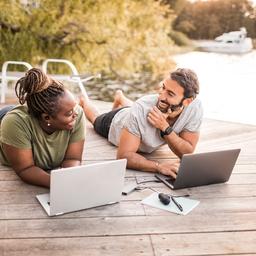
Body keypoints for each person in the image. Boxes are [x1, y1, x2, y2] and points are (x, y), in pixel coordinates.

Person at [80, 68, 203, 179]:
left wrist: (164, 128)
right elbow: (124, 156)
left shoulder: (195, 107)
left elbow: (186, 152)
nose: (161, 96)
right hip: (115, 122)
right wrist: (159, 166)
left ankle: (120, 97)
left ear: (187, 101)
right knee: (95, 119)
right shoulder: (140, 108)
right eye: (163, 88)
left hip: (134, 112)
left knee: (136, 109)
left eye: (170, 94)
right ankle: (84, 101)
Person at [0, 68, 86, 188]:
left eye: (74, 108)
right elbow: (25, 169)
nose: (75, 114)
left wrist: (69, 179)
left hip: (33, 114)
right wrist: (58, 184)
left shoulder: (76, 115)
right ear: (47, 118)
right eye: (69, 113)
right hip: (6, 119)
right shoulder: (14, 124)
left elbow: (73, 158)